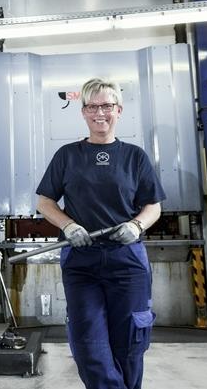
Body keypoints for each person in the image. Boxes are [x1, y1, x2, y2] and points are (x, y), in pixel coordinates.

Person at [35, 78, 166, 389]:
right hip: (82, 261)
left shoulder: (134, 156)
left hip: (127, 260)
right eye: (92, 106)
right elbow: (44, 202)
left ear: (118, 110)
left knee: (130, 341)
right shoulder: (67, 155)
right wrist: (68, 225)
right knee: (88, 342)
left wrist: (136, 226)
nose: (99, 113)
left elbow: (153, 206)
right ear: (83, 112)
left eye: (106, 105)